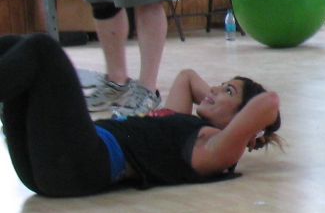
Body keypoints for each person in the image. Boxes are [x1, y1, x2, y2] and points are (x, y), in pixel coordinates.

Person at [0, 32, 281, 198]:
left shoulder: (214, 147)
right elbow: (187, 77)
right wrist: (216, 99)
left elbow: (269, 102)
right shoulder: (183, 122)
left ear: (240, 121)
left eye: (228, 91)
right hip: (45, 171)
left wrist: (246, 133)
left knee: (42, 48)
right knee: (12, 45)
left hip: (79, 163)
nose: (216, 88)